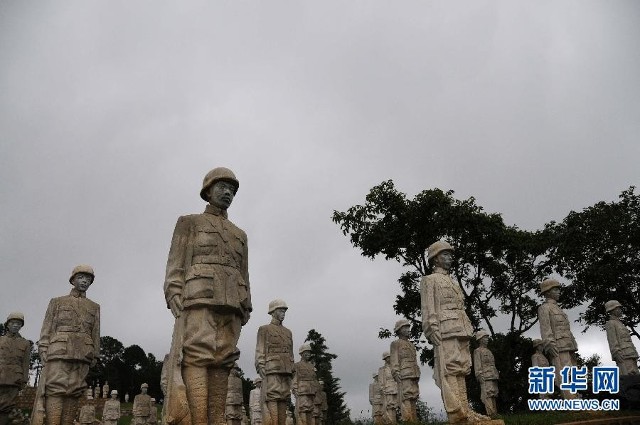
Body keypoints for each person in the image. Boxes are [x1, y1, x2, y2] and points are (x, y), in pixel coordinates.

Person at [164, 167, 252, 425]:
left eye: (232, 190)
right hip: (199, 296)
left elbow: (244, 272)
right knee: (197, 355)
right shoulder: (189, 223)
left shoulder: (240, 234)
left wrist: (246, 304)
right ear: (208, 190)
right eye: (222, 187)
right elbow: (175, 262)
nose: (228, 193)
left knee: (223, 361)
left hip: (232, 302)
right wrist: (174, 291)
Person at [420, 241, 487, 423]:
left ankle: (466, 411)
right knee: (450, 369)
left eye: (450, 255)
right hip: (445, 330)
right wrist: (430, 328)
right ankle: (457, 413)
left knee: (462, 369)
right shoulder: (429, 280)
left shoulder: (452, 281)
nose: (449, 258)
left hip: (461, 328)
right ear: (435, 259)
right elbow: (428, 308)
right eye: (445, 255)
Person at [33, 265, 100, 425]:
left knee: (74, 392)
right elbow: (47, 328)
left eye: (88, 279)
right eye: (81, 278)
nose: (85, 281)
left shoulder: (94, 307)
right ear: (73, 280)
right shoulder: (57, 302)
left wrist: (95, 354)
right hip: (58, 352)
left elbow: (95, 332)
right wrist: (43, 350)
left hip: (83, 354)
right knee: (55, 390)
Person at [537, 278, 579, 399]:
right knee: (563, 372)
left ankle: (574, 397)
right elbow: (546, 328)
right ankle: (570, 399)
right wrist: (549, 344)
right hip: (558, 346)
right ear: (548, 292)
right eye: (555, 289)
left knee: (571, 371)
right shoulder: (544, 308)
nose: (559, 292)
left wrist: (573, 344)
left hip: (568, 344)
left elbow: (566, 329)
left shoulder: (558, 308)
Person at [255, 299, 293, 425]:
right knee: (272, 397)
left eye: (284, 311)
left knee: (283, 398)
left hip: (286, 370)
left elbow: (290, 353)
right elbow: (260, 350)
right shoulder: (264, 329)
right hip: (271, 369)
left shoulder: (288, 332)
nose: (283, 313)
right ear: (273, 312)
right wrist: (261, 366)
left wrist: (292, 369)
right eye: (281, 310)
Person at [0, 312, 30, 425]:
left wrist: (24, 380)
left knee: (7, 406)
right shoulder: (0, 340)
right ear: (7, 325)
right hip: (0, 375)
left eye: (18, 324)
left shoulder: (25, 343)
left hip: (14, 379)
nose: (16, 325)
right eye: (13, 323)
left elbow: (26, 363)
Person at [389, 319, 420, 422]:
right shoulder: (395, 344)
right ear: (399, 330)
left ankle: (414, 420)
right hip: (404, 374)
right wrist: (395, 372)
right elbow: (394, 360)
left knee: (414, 396)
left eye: (408, 327)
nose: (408, 330)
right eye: (405, 327)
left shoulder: (411, 345)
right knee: (406, 396)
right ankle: (408, 420)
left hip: (413, 374)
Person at [605, 300, 639, 375]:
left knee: (635, 377)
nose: (620, 310)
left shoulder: (621, 323)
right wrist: (616, 352)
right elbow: (612, 340)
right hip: (623, 355)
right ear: (612, 310)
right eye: (618, 308)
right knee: (628, 377)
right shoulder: (610, 323)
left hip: (631, 353)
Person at [473, 330, 499, 417]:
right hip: (485, 376)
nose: (487, 339)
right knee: (487, 394)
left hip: (493, 375)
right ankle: (490, 412)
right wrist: (479, 375)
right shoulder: (477, 351)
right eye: (485, 337)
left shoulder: (489, 351)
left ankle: (494, 412)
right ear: (480, 339)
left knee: (494, 394)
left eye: (487, 337)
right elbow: (477, 364)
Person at [291, 344, 317, 425]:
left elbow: (314, 379)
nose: (308, 354)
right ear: (301, 354)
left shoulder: (312, 366)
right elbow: (294, 378)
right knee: (302, 410)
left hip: (311, 391)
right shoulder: (297, 365)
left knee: (310, 410)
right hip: (302, 391)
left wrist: (315, 389)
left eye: (309, 352)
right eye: (306, 352)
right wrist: (295, 389)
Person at [378, 352, 397, 424]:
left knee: (394, 406)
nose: (389, 358)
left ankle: (393, 422)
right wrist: (382, 389)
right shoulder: (382, 369)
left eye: (390, 357)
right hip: (387, 388)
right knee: (388, 406)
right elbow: (380, 380)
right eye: (388, 357)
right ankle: (389, 422)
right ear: (385, 359)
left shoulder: (394, 367)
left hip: (395, 388)